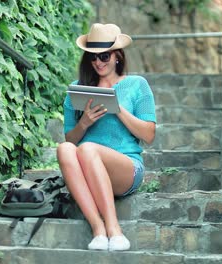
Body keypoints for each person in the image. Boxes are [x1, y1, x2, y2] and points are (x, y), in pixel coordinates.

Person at [56, 23, 156, 251]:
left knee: (88, 148)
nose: (98, 62)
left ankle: (115, 231)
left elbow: (149, 135)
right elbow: (71, 141)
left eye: (104, 56)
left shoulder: (136, 85)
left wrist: (118, 109)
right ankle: (98, 230)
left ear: (118, 56)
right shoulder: (78, 88)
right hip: (86, 164)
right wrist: (84, 123)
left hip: (126, 168)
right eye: (92, 57)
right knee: (64, 148)